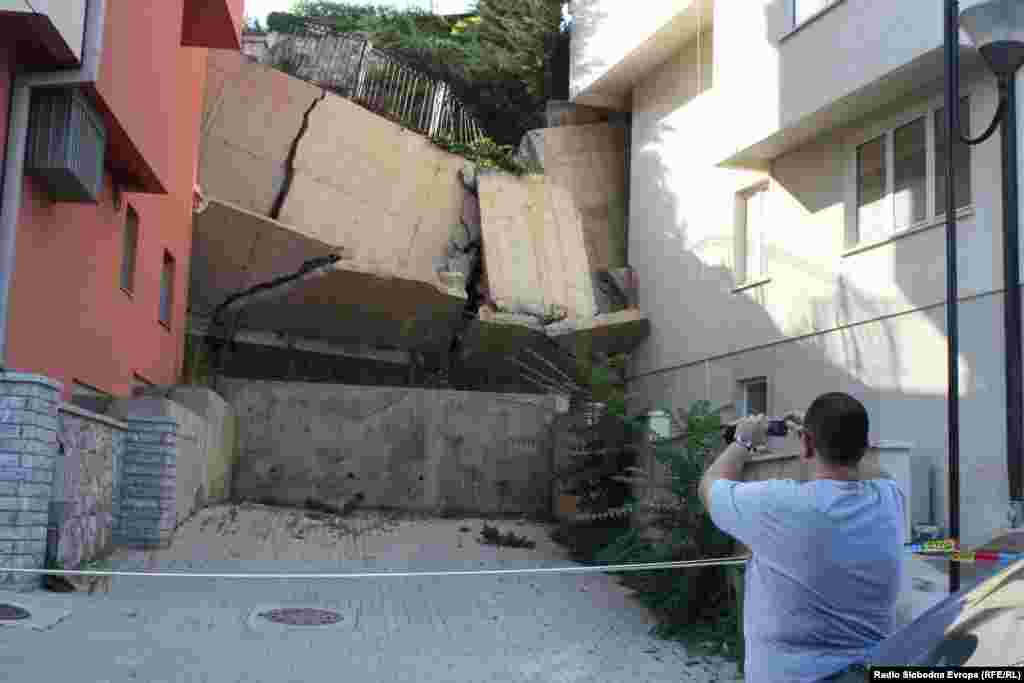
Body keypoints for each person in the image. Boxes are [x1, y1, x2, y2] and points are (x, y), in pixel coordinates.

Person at [698, 393, 905, 683]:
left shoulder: (779, 504)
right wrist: (825, 435)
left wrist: (743, 441)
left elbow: (709, 488)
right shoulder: (888, 499)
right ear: (864, 447)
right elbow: (878, 472)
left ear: (806, 444)